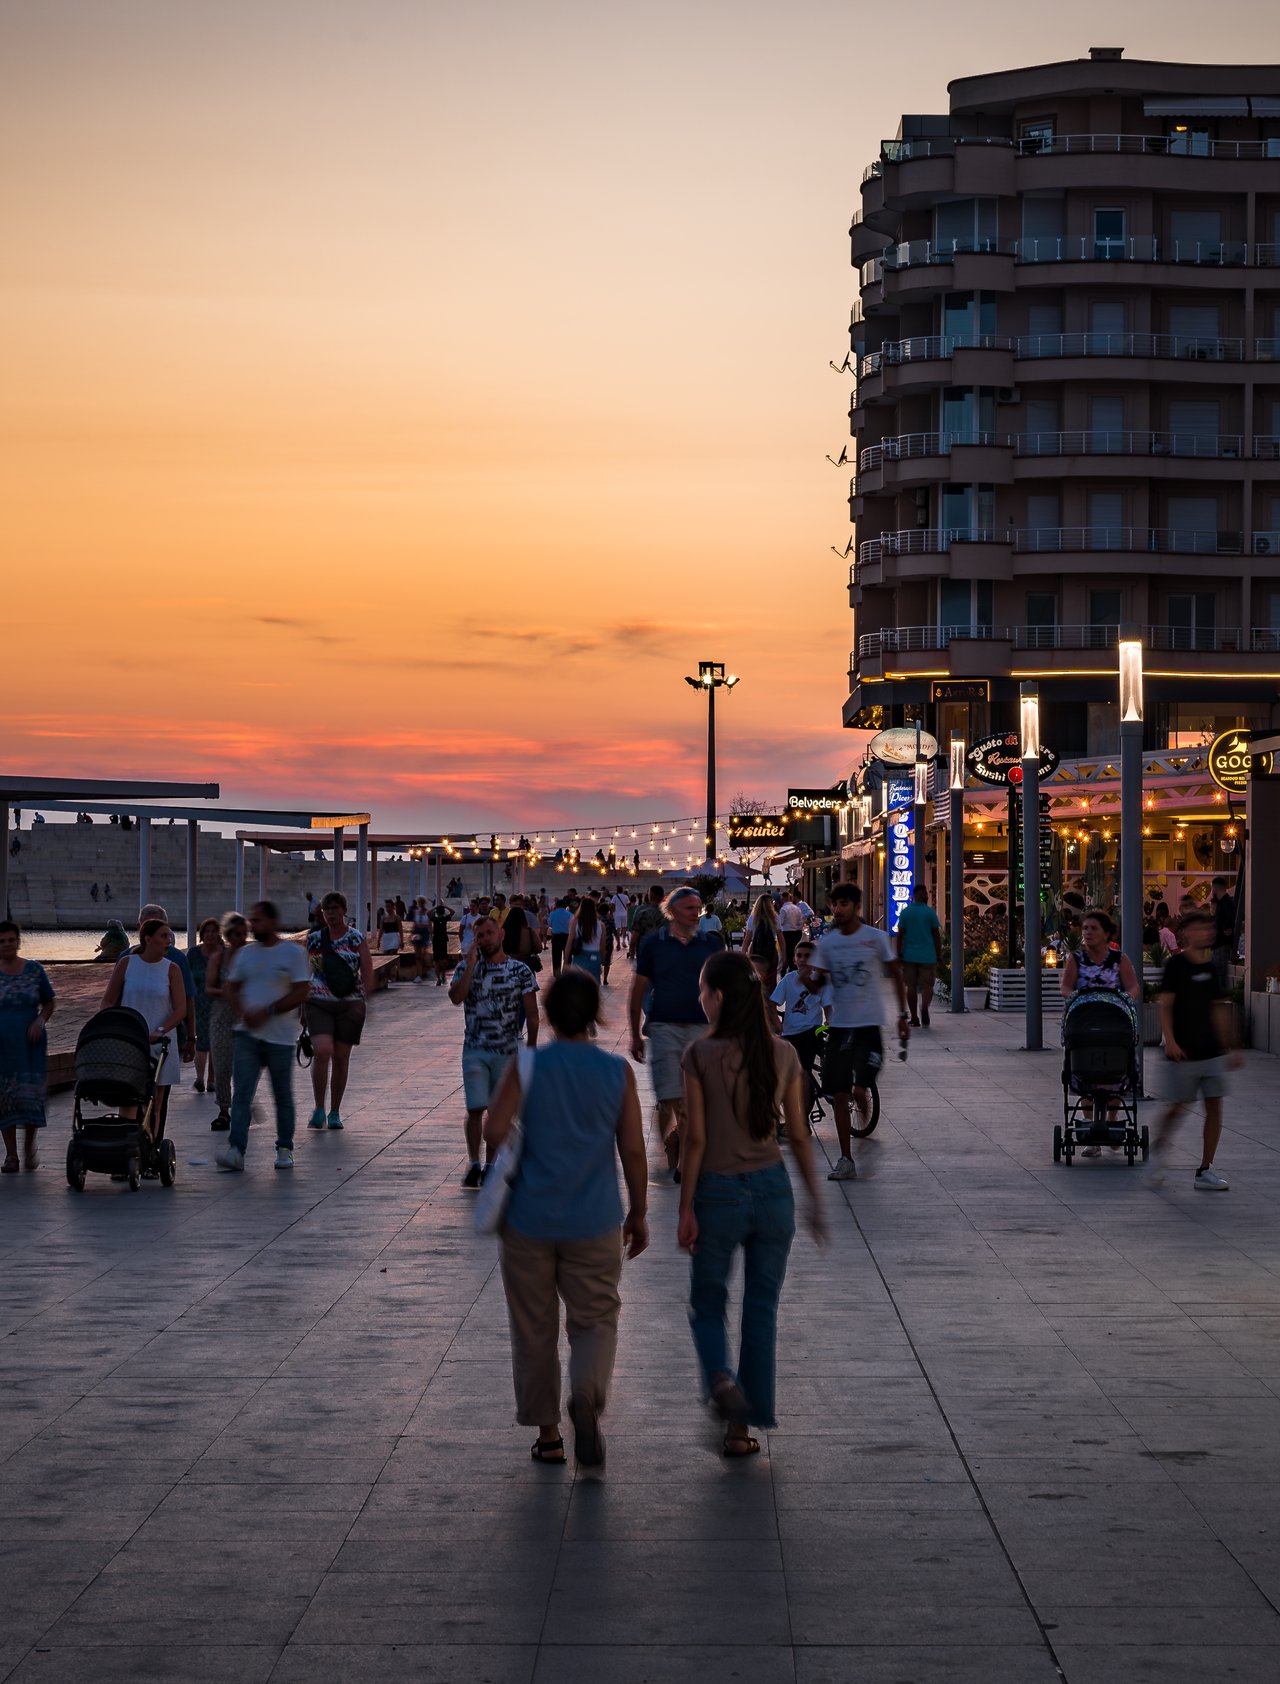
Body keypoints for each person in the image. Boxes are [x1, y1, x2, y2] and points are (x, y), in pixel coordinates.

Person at [484, 967, 649, 1467]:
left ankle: (550, 1436)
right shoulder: (616, 1071)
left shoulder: (526, 1066)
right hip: (594, 1217)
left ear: (550, 1016)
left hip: (529, 1218)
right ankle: (587, 1393)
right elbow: (634, 1150)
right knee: (596, 1318)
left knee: (533, 1328)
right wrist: (638, 1213)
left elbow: (492, 1131)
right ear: (595, 1016)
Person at [679, 950, 824, 1454]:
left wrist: (684, 1207)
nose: (700, 997)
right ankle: (742, 1429)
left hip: (718, 1191)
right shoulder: (783, 1053)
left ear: (718, 998)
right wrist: (815, 1201)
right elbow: (800, 1136)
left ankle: (720, 1378)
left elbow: (694, 1140)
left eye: (702, 989)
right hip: (772, 1190)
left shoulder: (698, 1055)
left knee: (707, 1302)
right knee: (761, 1308)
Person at [810, 882, 909, 1182]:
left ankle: (862, 1096)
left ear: (856, 906)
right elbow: (817, 982)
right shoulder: (827, 944)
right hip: (839, 1026)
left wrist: (903, 1016)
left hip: (868, 1027)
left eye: (842, 904)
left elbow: (896, 974)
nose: (837, 910)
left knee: (857, 1088)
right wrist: (805, 978)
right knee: (839, 1094)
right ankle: (845, 1158)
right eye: (833, 905)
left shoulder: (875, 938)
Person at [629, 885, 725, 1179]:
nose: (696, 914)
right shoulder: (654, 944)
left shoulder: (710, 945)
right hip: (664, 1026)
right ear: (671, 910)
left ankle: (682, 1155)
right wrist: (634, 1033)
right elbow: (639, 988)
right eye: (689, 908)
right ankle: (672, 1147)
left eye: (698, 908)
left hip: (701, 1027)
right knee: (670, 1095)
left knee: (693, 1096)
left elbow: (723, 988)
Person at [216, 901, 312, 1172]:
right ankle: (236, 1150)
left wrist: (268, 1010)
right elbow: (231, 987)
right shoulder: (246, 954)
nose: (251, 925)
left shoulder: (292, 954)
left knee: (282, 1094)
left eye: (257, 921)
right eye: (251, 920)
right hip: (247, 1036)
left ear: (272, 922)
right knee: (242, 1094)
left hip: (280, 1038)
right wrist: (242, 1011)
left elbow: (302, 990)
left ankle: (285, 1148)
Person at [448, 914, 538, 1188]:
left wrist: (530, 1050)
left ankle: (491, 1165)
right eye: (480, 936)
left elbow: (532, 1014)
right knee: (475, 1108)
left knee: (500, 1111)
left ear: (501, 936)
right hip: (475, 1048)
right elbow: (456, 998)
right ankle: (474, 1163)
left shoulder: (520, 971)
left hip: (508, 1049)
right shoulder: (466, 967)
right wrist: (471, 965)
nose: (485, 939)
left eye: (489, 933)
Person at [1152, 909, 1240, 1191]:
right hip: (1184, 1052)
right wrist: (1171, 1041)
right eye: (1199, 928)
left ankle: (1205, 1169)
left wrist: (1231, 1045)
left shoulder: (1212, 967)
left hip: (1211, 1051)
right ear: (1186, 933)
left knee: (1215, 1106)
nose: (1206, 933)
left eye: (1208, 928)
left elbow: (1219, 1007)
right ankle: (1158, 1152)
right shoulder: (1176, 965)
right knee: (1178, 1108)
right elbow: (1164, 1005)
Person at [1059, 908, 1141, 1156]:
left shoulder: (1119, 959)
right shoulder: (1076, 959)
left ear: (1106, 933)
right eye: (1085, 928)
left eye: (1094, 928)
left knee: (1115, 1073)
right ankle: (1092, 1136)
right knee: (1085, 1073)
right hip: (1085, 1022)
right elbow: (1066, 987)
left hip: (1113, 1022)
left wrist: (1125, 999)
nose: (1088, 933)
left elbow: (1133, 986)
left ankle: (1112, 1119)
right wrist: (1077, 997)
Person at [102, 917, 186, 1130]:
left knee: (155, 1103)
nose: (169, 940)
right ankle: (128, 1143)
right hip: (130, 1039)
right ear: (148, 939)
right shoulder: (127, 963)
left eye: (170, 936)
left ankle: (151, 1147)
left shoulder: (172, 969)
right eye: (163, 936)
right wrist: (113, 1025)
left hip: (160, 1041)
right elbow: (108, 1001)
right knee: (128, 1098)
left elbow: (180, 1009)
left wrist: (161, 1030)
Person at [305, 892, 374, 1131]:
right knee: (322, 1051)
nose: (331, 914)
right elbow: (310, 972)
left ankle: (334, 1111)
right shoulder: (314, 939)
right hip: (319, 1001)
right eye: (327, 909)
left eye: (335, 909)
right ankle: (318, 1108)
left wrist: (362, 1001)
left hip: (349, 1003)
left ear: (344, 910)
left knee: (342, 1056)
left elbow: (366, 971)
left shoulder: (356, 938)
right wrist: (304, 1004)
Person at [0, 921, 55, 1173]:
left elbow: (49, 1002)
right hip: (3, 1046)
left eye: (11, 940)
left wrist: (40, 1021)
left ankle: (29, 1144)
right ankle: (11, 1155)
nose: (7, 945)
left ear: (18, 941)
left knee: (30, 1095)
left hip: (30, 1044)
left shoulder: (34, 970)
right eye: (2, 941)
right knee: (5, 1097)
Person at [769, 938, 832, 1122]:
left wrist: (829, 1022)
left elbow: (828, 1006)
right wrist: (776, 1023)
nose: (803, 959)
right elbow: (773, 1004)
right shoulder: (789, 980)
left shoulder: (819, 981)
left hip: (810, 1031)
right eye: (799, 956)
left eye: (808, 956)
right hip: (789, 1033)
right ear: (794, 959)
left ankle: (801, 1120)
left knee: (802, 1071)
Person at [135, 904, 197, 1074]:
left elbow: (188, 999)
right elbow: (112, 999)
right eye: (147, 926)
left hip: (166, 1034)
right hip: (134, 1032)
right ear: (139, 926)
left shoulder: (177, 960)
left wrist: (191, 1037)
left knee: (160, 1085)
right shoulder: (126, 959)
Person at [204, 912, 247, 1130]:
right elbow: (209, 987)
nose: (240, 938)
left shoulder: (251, 957)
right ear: (228, 935)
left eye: (244, 934)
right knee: (222, 1065)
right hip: (222, 1016)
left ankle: (242, 1107)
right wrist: (225, 991)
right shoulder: (218, 958)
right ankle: (224, 1109)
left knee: (245, 1066)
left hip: (246, 1015)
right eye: (236, 934)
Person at [895, 883, 943, 1027]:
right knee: (928, 985)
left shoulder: (906, 912)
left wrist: (898, 953)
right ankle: (924, 1008)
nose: (927, 896)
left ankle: (914, 1017)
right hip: (928, 955)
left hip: (909, 955)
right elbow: (936, 935)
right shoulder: (930, 912)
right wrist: (939, 954)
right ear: (920, 895)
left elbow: (900, 935)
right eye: (925, 893)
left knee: (911, 986)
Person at [186, 917, 223, 1093]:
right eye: (206, 931)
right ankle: (200, 1078)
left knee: (215, 1042)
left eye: (213, 931)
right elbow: (184, 977)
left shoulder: (224, 953)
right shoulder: (193, 954)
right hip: (197, 1002)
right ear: (202, 934)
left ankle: (212, 1080)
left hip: (219, 1003)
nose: (210, 934)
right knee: (201, 1040)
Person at [745, 893, 784, 993]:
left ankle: (758, 1002)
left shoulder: (753, 918)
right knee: (771, 979)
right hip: (771, 951)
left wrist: (743, 954)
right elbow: (780, 938)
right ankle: (771, 1004)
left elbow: (747, 939)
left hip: (755, 950)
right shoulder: (775, 918)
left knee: (756, 978)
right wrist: (784, 955)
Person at [777, 887, 814, 973]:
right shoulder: (797, 908)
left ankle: (786, 968)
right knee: (793, 950)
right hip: (796, 932)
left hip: (786, 932)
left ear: (783, 899)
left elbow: (780, 922)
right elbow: (800, 921)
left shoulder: (784, 909)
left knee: (786, 951)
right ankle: (792, 967)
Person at [1211, 875, 1237, 981]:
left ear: (1215, 888)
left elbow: (1229, 922)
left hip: (1222, 944)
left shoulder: (1227, 903)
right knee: (1218, 974)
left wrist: (1226, 929)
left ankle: (1221, 995)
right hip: (1218, 944)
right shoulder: (1221, 904)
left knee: (1220, 975)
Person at [429, 898, 454, 985]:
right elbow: (428, 914)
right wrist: (435, 907)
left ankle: (442, 976)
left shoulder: (444, 918)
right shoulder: (435, 919)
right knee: (437, 960)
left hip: (442, 940)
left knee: (443, 960)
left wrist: (444, 906)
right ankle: (439, 978)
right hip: (437, 940)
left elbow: (453, 912)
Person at [548, 898, 572, 975]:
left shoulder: (553, 914)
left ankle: (556, 972)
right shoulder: (570, 915)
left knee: (556, 956)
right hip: (566, 937)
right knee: (567, 956)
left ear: (556, 906)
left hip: (556, 937)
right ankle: (567, 972)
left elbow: (549, 924)